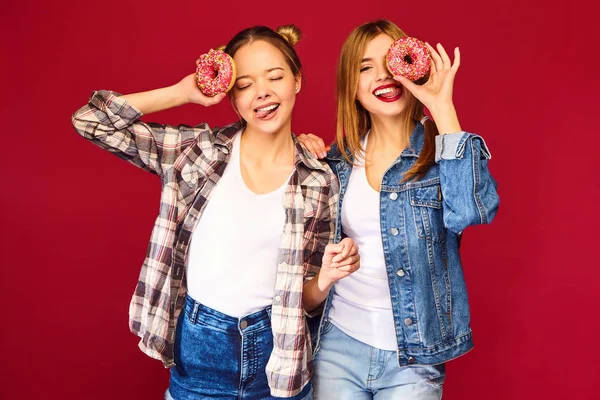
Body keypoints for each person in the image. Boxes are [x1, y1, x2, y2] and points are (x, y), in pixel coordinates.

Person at [71, 25, 359, 400]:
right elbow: (90, 120)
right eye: (245, 85)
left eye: (275, 77)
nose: (263, 93)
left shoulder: (319, 178)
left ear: (297, 80)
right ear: (231, 97)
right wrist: (183, 92)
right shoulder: (196, 152)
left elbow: (302, 301)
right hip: (200, 353)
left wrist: (326, 278)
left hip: (280, 357)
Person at [298, 20, 499, 399]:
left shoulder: (443, 153)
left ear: (412, 70)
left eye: (393, 62)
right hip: (338, 346)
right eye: (365, 67)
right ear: (352, 89)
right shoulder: (337, 161)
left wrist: (442, 107)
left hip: (414, 355)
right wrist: (303, 152)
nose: (383, 76)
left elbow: (472, 211)